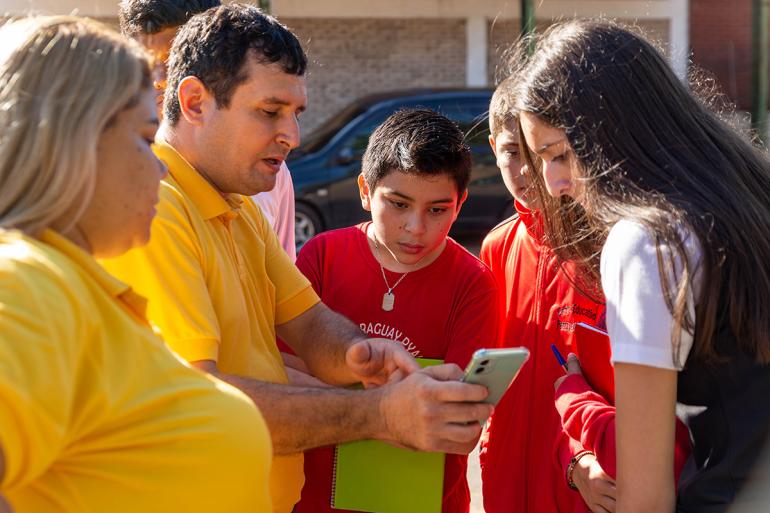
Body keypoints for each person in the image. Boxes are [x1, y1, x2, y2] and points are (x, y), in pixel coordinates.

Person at [101, 5, 493, 513]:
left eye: (296, 113)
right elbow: (200, 395)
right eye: (270, 112)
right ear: (195, 102)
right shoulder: (157, 205)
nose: (292, 135)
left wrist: (364, 357)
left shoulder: (235, 204)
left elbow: (308, 322)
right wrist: (377, 413)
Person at [0, 15, 273, 512]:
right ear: (72, 142)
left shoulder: (69, 288)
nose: (162, 164)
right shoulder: (27, 281)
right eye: (147, 139)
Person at [513, 18, 770, 513]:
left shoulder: (646, 242)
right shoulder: (746, 201)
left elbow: (644, 497)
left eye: (559, 155)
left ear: (613, 132)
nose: (553, 183)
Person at [289, 109, 498, 513]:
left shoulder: (473, 283)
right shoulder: (321, 257)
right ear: (366, 191)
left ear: (460, 204)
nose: (416, 227)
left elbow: (460, 429)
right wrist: (396, 409)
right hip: (313, 499)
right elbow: (282, 370)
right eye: (398, 204)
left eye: (437, 209)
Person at [477, 76, 614, 513]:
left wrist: (579, 462)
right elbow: (495, 383)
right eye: (510, 153)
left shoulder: (610, 248)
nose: (524, 171)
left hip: (584, 489)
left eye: (535, 154)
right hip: (505, 487)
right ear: (492, 147)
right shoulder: (496, 248)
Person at [118, 0, 297, 259]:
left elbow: (282, 294)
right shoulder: (114, 172)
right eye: (146, 64)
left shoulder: (268, 175)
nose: (158, 80)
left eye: (173, 63)